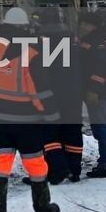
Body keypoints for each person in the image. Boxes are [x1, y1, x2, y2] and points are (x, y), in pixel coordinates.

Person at [0, 7, 61, 212]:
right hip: (27, 120)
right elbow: (40, 90)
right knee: (35, 164)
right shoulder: (30, 52)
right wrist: (51, 115)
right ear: (24, 27)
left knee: (0, 163)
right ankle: (43, 208)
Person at [32, 10, 84, 183]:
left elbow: (39, 72)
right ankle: (74, 170)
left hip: (52, 95)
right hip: (74, 94)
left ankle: (57, 169)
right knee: (72, 131)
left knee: (49, 134)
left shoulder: (42, 44)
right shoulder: (73, 41)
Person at [78, 11, 106, 178]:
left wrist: (93, 89)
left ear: (91, 26)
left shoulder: (97, 42)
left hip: (97, 93)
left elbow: (102, 67)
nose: (81, 27)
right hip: (96, 91)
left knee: (101, 127)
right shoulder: (91, 40)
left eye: (84, 24)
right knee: (103, 127)